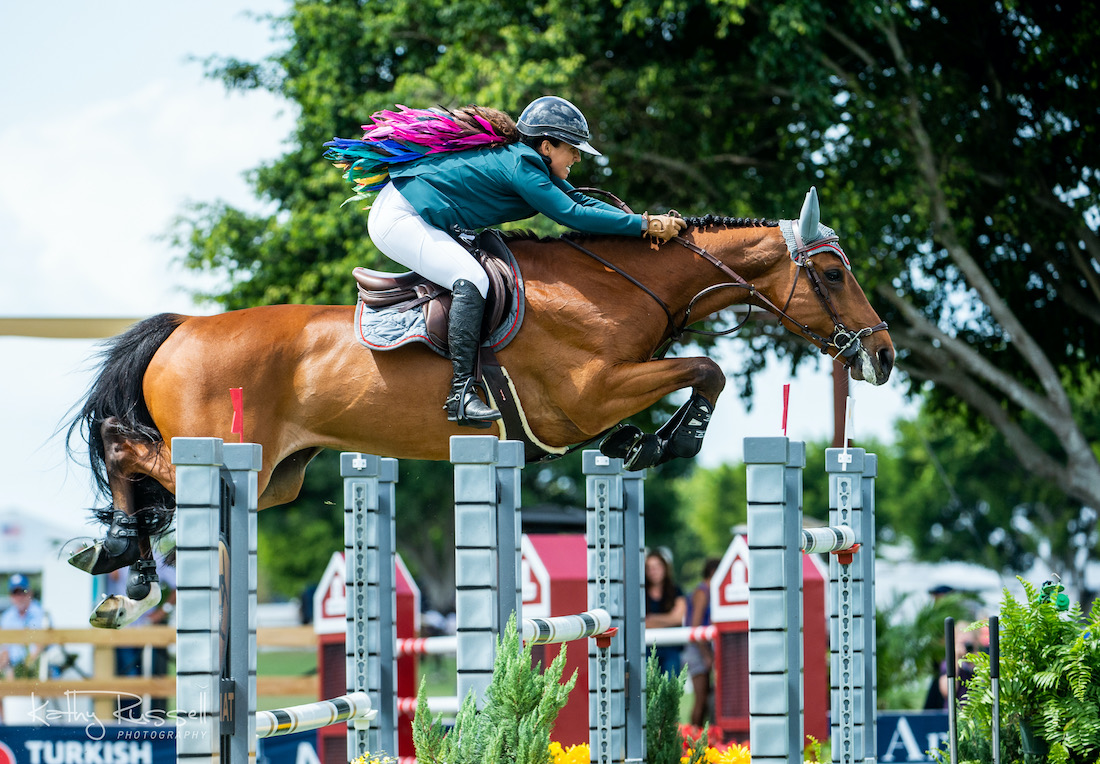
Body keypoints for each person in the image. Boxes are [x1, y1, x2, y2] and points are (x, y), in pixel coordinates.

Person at [326, 96, 688, 427]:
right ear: (547, 146)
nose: (577, 157)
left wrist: (644, 225)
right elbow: (573, 215)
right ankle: (460, 394)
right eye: (573, 150)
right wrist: (645, 225)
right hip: (400, 217)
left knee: (477, 274)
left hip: (419, 213)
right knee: (472, 278)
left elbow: (582, 202)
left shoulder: (530, 163)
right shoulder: (522, 165)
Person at [102, 555, 176, 717]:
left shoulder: (154, 555)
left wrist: (159, 615)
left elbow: (177, 586)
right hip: (120, 631)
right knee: (129, 679)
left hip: (143, 630)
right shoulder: (113, 551)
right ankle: (131, 723)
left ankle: (137, 723)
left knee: (146, 678)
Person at [682, 557, 720, 728]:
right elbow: (696, 626)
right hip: (696, 649)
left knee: (708, 697)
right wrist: (707, 655)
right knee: (701, 698)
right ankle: (692, 735)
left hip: (704, 648)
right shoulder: (702, 592)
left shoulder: (709, 591)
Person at [644, 548, 687, 676]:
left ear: (665, 568)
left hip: (671, 648)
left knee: (670, 688)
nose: (654, 571)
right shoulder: (641, 592)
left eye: (657, 567)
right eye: (649, 568)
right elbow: (643, 623)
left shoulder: (675, 590)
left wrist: (652, 619)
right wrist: (669, 619)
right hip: (648, 649)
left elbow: (679, 618)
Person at [0, 574, 46, 679]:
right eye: (15, 593)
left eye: (23, 592)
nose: (19, 596)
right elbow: (4, 649)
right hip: (12, 668)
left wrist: (27, 666)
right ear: (11, 596)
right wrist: (8, 669)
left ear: (30, 592)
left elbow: (43, 644)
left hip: (36, 668)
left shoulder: (41, 614)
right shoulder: (6, 617)